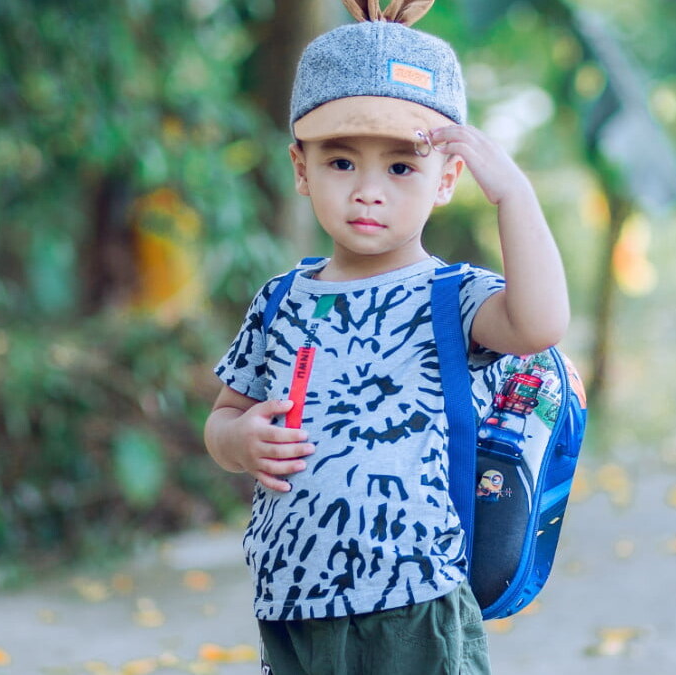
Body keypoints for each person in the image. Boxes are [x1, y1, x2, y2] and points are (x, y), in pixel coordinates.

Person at [202, 0, 570, 672]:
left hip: (413, 602)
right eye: (342, 162)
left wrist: (514, 194)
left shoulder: (453, 296)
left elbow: (540, 323)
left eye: (401, 167)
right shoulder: (281, 300)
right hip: (292, 603)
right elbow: (223, 418)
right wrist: (238, 439)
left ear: (447, 177)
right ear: (301, 167)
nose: (368, 191)